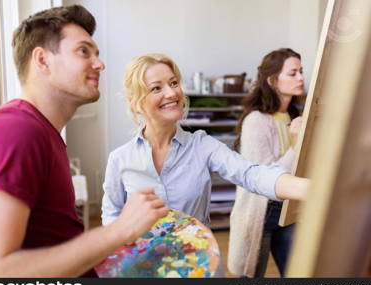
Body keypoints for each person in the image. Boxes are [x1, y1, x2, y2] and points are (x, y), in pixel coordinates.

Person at [0, 5, 169, 277]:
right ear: (42, 60)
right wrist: (119, 231)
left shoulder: (42, 132)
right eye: (84, 51)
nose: (100, 64)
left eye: (97, 54)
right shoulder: (13, 132)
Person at [101, 53, 308, 229]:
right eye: (157, 88)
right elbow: (111, 218)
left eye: (174, 83)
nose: (172, 93)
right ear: (135, 102)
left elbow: (251, 174)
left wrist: (312, 189)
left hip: (198, 267)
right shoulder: (120, 160)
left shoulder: (202, 145)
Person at [228, 48, 305, 278]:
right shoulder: (256, 121)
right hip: (262, 210)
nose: (301, 78)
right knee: (251, 278)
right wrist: (296, 145)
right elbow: (261, 178)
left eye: (301, 71)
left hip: (289, 207)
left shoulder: (294, 117)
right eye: (293, 73)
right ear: (273, 80)